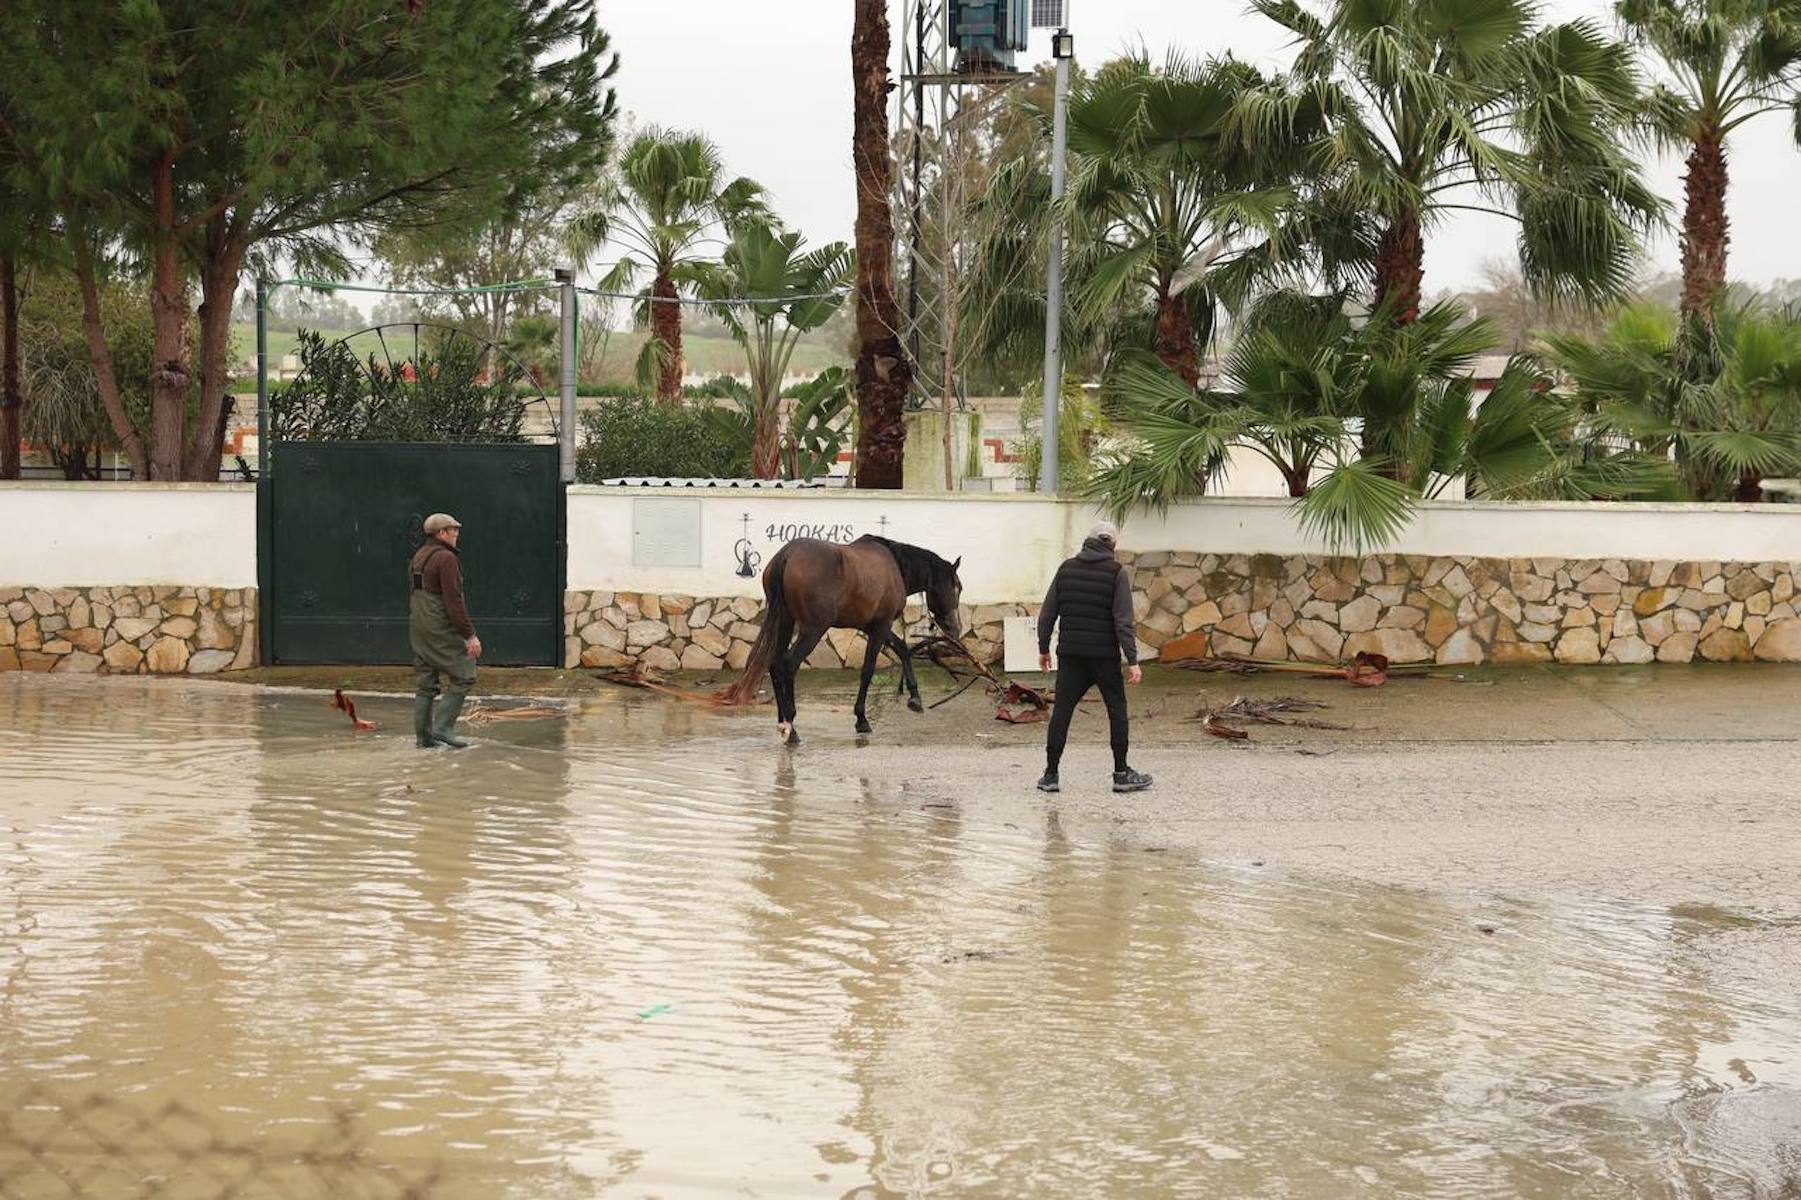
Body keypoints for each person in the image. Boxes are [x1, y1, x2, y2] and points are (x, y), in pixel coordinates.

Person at [1035, 520, 1152, 794]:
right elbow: (1123, 621)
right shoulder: (1115, 572)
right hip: (1104, 657)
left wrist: (1043, 649)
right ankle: (1121, 774)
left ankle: (1051, 774)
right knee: (1117, 711)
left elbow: (1047, 614)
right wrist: (1133, 661)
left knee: (1062, 712)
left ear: (1087, 541)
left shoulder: (1066, 569)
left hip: (1071, 655)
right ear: (1112, 545)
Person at [410, 512, 481, 749]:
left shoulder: (419, 556)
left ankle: (424, 739)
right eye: (454, 530)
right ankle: (443, 727)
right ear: (441, 533)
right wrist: (469, 635)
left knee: (425, 683)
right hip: (439, 625)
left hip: (418, 626)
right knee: (464, 675)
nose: (457, 534)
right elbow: (453, 601)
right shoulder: (446, 558)